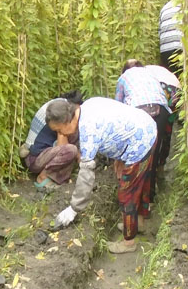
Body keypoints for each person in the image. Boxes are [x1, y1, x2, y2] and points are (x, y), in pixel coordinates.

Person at [46, 97, 156, 254]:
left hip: (140, 143)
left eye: (59, 129)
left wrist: (74, 208)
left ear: (67, 121)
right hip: (147, 128)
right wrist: (120, 157)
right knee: (141, 182)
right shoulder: (88, 106)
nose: (60, 134)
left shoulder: (88, 131)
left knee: (127, 193)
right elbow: (117, 127)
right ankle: (138, 222)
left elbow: (86, 176)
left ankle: (129, 242)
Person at [115, 63, 170, 187]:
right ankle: (151, 191)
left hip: (138, 110)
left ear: (124, 71)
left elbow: (118, 106)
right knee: (155, 149)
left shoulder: (123, 78)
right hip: (160, 109)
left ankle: (135, 186)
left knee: (139, 150)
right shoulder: (151, 74)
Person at [122, 60, 181, 167]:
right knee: (166, 130)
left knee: (150, 132)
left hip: (165, 90)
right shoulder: (147, 70)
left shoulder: (134, 77)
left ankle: (150, 163)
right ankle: (160, 163)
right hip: (176, 92)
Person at [20, 90, 83, 189]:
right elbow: (63, 146)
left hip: (41, 153)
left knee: (74, 135)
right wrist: (81, 159)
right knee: (71, 150)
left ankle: (57, 174)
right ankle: (43, 177)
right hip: (35, 158)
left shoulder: (60, 106)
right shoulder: (59, 115)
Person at [158, 0, 184, 76]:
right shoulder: (185, 7)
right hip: (181, 48)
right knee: (183, 78)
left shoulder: (164, 8)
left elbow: (159, 32)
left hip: (165, 50)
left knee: (169, 79)